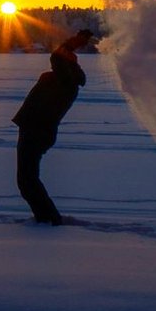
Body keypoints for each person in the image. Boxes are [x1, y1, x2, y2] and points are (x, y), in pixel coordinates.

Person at [12, 29, 96, 225]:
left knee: (27, 181)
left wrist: (76, 41)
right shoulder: (64, 78)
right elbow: (60, 54)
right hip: (36, 131)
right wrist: (76, 42)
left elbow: (57, 55)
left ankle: (48, 219)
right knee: (26, 180)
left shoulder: (66, 81)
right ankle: (46, 217)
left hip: (37, 132)